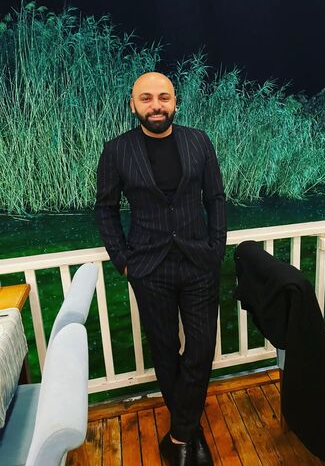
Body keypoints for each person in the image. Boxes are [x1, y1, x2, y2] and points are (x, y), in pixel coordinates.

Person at [95, 72, 227, 466]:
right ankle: (188, 433)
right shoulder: (117, 150)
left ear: (175, 102)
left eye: (164, 97)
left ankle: (180, 435)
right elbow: (105, 209)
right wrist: (123, 261)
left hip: (198, 262)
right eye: (147, 98)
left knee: (201, 349)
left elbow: (216, 198)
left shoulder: (198, 141)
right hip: (149, 267)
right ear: (133, 104)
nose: (156, 105)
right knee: (165, 350)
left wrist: (216, 249)